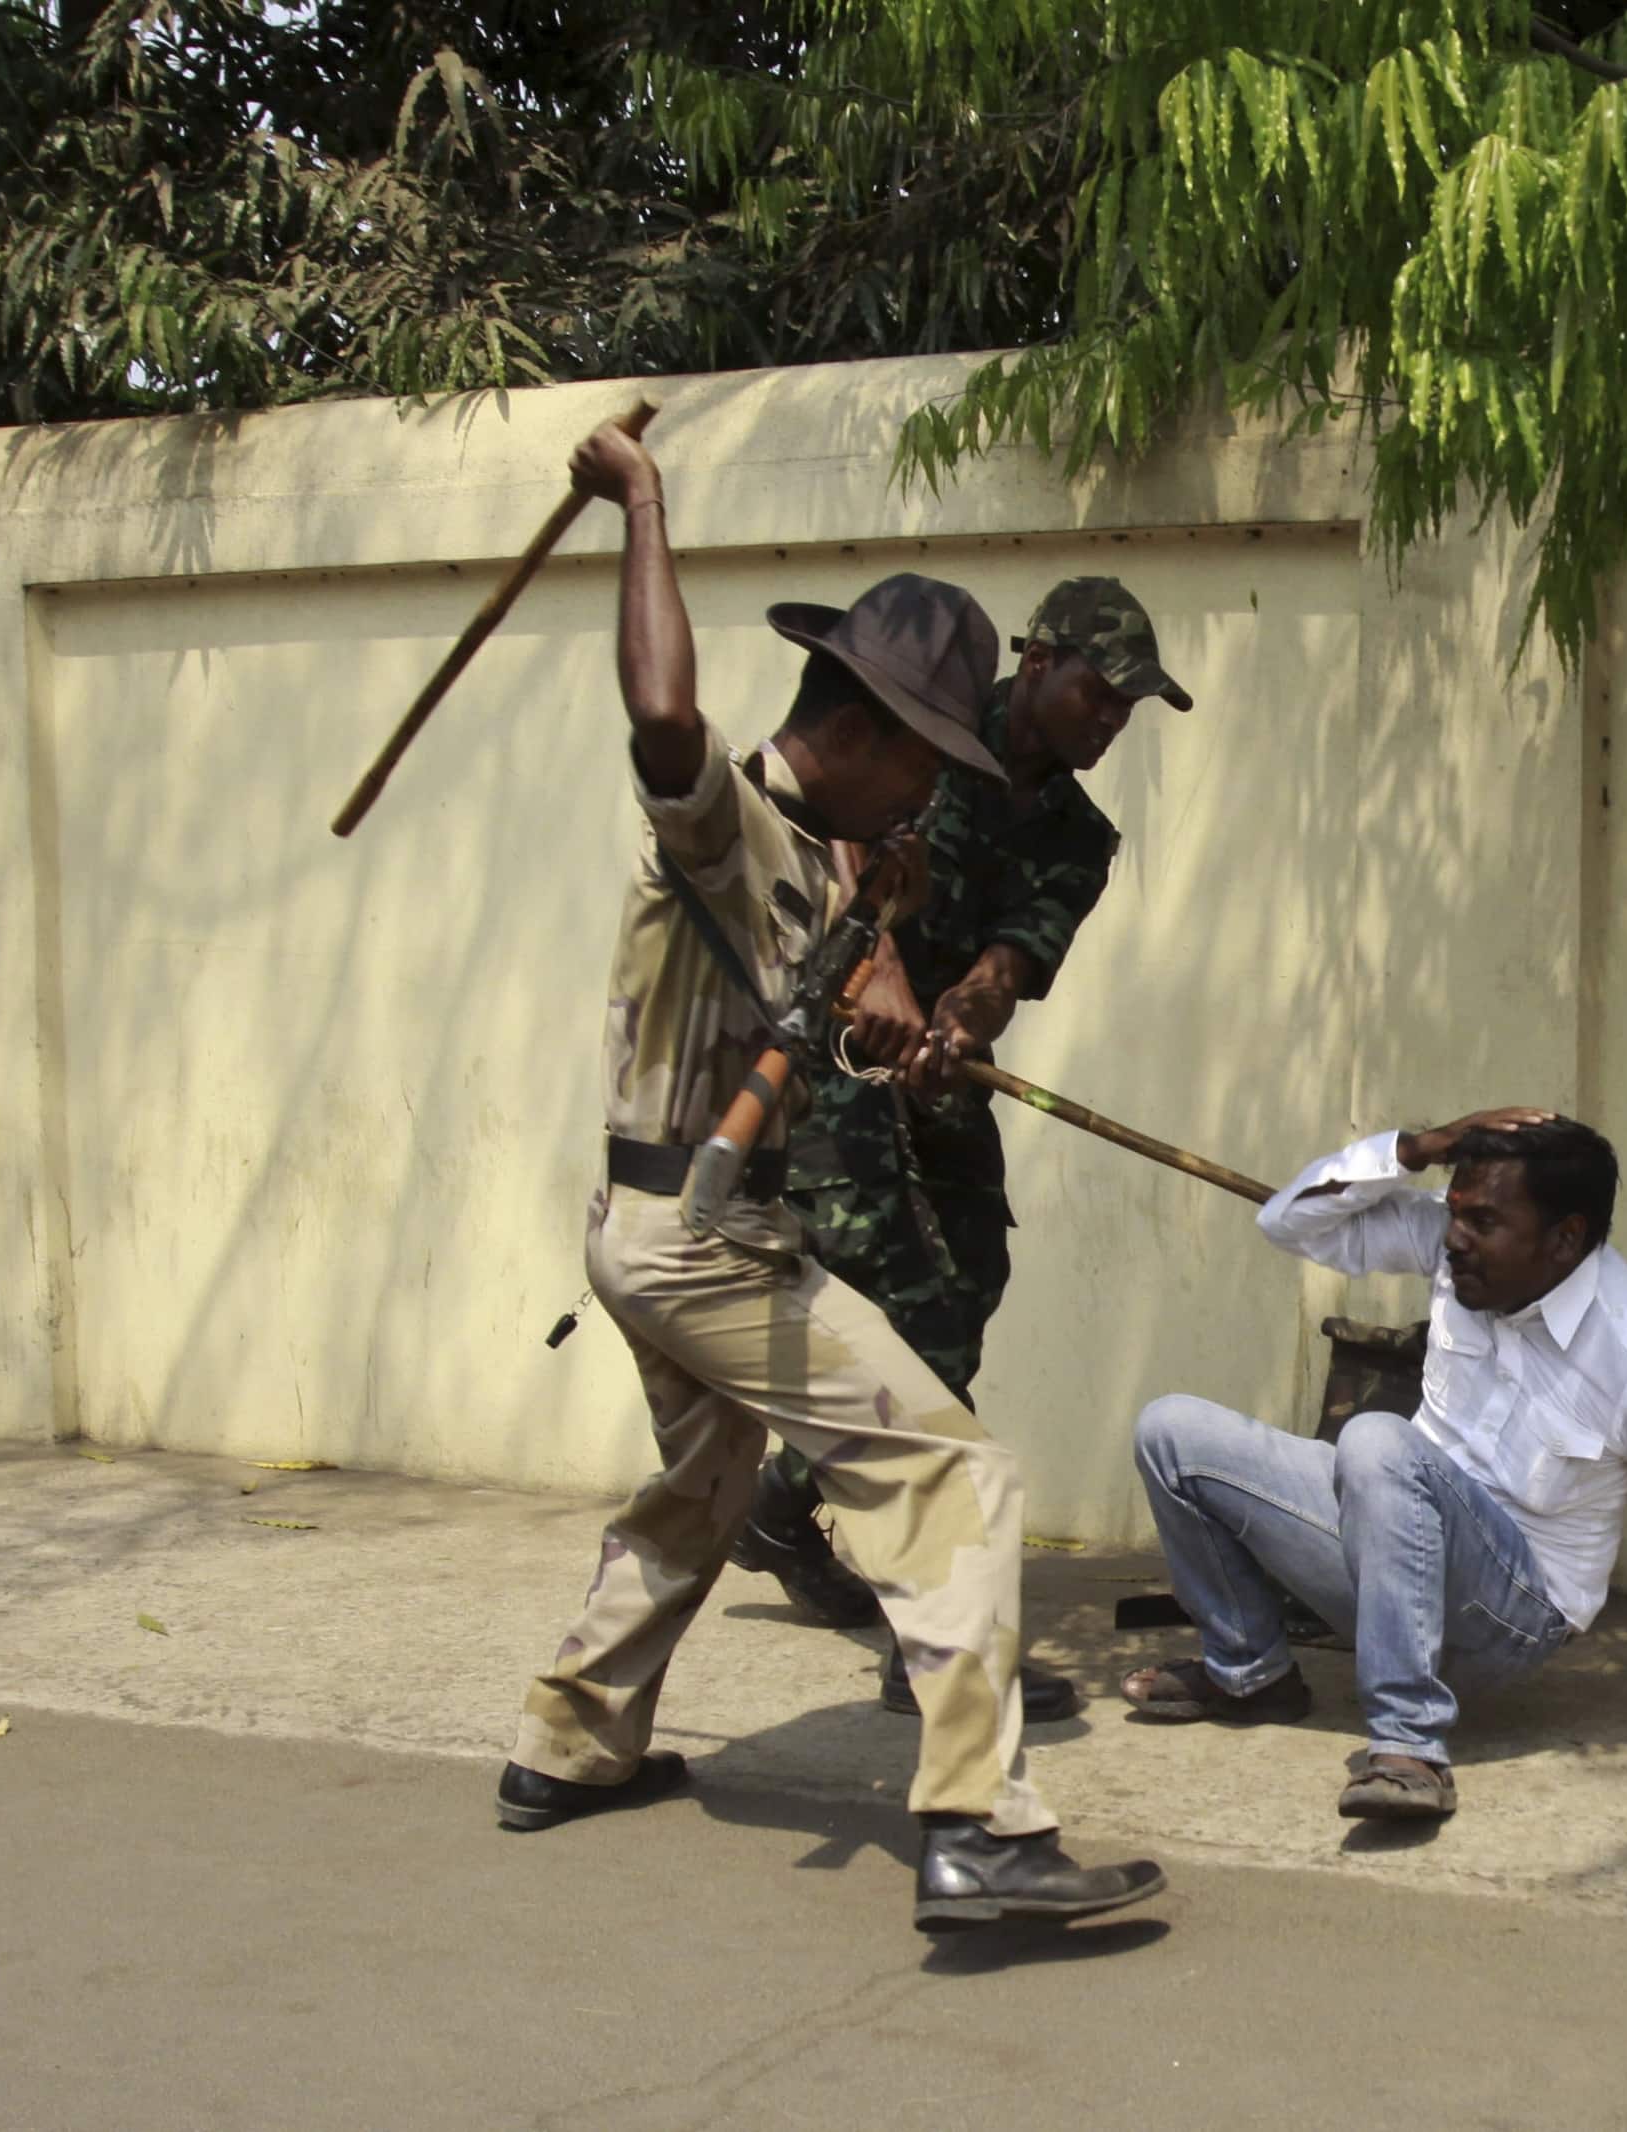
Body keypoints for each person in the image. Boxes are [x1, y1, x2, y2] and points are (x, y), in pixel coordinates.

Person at [493, 419, 1163, 1932]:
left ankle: (573, 1743)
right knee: (955, 1472)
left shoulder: (829, 857)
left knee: (707, 1481)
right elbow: (662, 715)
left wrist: (907, 1012)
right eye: (927, 764)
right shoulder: (730, 821)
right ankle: (982, 1831)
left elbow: (847, 995)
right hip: (696, 1235)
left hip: (682, 1220)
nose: (936, 798)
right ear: (858, 728)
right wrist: (645, 503)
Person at [729, 581, 1191, 1740]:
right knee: (917, 1322)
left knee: (971, 1281)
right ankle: (932, 1630)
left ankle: (781, 1504)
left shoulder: (1079, 836)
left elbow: (1007, 960)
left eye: (1128, 709)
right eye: (1100, 690)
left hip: (936, 1077)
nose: (1110, 721)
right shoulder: (924, 724)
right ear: (1036, 659)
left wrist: (965, 1021)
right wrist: (878, 971)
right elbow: (830, 845)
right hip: (829, 1059)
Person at [1118, 1109, 1627, 1821]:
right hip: (1390, 1556)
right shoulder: (1454, 1254)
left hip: (1509, 1617)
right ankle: (1250, 1673)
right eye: (1455, 1215)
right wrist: (1414, 1149)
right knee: (1169, 1431)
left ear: (1565, 1238)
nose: (1455, 1241)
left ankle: (1410, 1749)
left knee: (1378, 1443)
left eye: (1483, 1223)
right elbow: (1287, 1224)